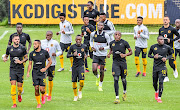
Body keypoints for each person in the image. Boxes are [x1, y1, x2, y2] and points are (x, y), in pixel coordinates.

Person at [107, 31, 132, 104]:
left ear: (120, 36)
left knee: (123, 79)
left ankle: (124, 92)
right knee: (115, 79)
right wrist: (109, 54)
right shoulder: (111, 43)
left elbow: (131, 52)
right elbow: (111, 50)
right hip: (115, 63)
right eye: (116, 34)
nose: (117, 36)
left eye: (118, 35)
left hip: (123, 63)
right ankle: (117, 97)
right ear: (114, 35)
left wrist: (125, 55)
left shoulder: (124, 42)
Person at [3, 34, 28, 108]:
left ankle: (19, 95)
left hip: (20, 69)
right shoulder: (9, 48)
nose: (17, 40)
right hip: (12, 69)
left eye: (18, 39)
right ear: (13, 40)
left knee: (19, 87)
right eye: (16, 39)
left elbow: (26, 58)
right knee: (13, 86)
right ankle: (14, 103)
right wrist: (5, 58)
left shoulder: (23, 48)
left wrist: (21, 62)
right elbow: (6, 56)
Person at [27, 40, 52, 108]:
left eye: (35, 44)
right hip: (35, 73)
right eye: (33, 44)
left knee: (42, 90)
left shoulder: (44, 52)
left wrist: (45, 68)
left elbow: (50, 61)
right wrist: (28, 72)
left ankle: (43, 96)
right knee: (36, 88)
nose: (34, 45)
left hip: (42, 73)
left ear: (39, 44)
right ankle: (38, 103)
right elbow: (30, 64)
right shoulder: (32, 54)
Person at [8, 22, 32, 94]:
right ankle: (18, 86)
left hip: (22, 56)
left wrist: (27, 50)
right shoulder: (12, 36)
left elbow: (30, 42)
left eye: (20, 27)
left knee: (21, 71)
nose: (19, 28)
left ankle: (21, 87)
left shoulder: (26, 35)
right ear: (16, 28)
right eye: (17, 27)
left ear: (22, 27)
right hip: (14, 55)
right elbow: (9, 44)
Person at [148, 36, 172, 103]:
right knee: (154, 83)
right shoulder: (153, 47)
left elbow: (171, 55)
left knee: (161, 82)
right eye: (160, 39)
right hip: (155, 67)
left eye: (163, 39)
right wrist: (154, 57)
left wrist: (166, 58)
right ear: (157, 40)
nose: (162, 41)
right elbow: (149, 55)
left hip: (163, 67)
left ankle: (159, 97)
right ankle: (156, 91)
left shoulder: (167, 47)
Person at [41, 31, 62, 101]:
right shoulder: (42, 42)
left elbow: (60, 51)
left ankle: (50, 94)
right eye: (47, 35)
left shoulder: (55, 42)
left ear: (52, 36)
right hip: (43, 64)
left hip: (52, 64)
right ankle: (45, 93)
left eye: (50, 35)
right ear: (45, 35)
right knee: (44, 78)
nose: (48, 36)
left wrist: (56, 54)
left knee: (50, 78)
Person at [90, 22, 110, 91]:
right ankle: (97, 76)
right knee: (94, 69)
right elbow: (90, 41)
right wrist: (92, 47)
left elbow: (110, 45)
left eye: (101, 25)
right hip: (96, 54)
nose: (99, 26)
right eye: (98, 25)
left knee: (102, 70)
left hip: (103, 55)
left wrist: (104, 48)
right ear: (97, 26)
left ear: (103, 27)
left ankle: (100, 85)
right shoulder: (93, 34)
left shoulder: (106, 35)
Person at [159, 16, 180, 81]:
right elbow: (159, 37)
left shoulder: (172, 29)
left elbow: (178, 35)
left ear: (169, 21)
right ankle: (166, 77)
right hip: (162, 48)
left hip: (170, 48)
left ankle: (174, 69)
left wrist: (172, 40)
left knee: (171, 63)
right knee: (163, 62)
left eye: (166, 20)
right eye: (164, 20)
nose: (165, 21)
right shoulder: (161, 29)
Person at [67, 35, 87, 101]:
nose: (78, 41)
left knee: (81, 81)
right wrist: (73, 55)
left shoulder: (84, 46)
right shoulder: (72, 47)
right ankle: (75, 96)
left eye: (79, 39)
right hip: (74, 66)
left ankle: (80, 90)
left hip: (81, 66)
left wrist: (86, 55)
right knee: (74, 81)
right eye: (77, 39)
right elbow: (67, 55)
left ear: (81, 40)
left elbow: (86, 53)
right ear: (75, 40)